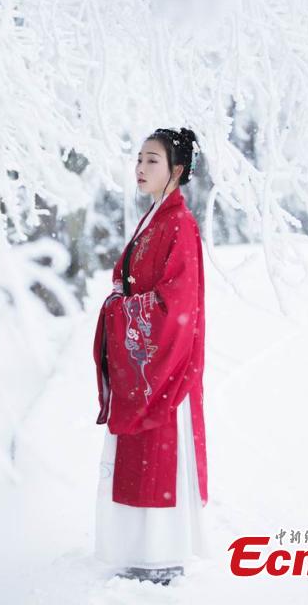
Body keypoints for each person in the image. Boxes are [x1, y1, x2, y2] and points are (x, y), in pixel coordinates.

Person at [92, 126, 212, 585]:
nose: (140, 168)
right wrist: (122, 305)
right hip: (146, 363)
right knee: (142, 455)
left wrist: (123, 312)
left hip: (165, 364)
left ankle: (160, 551)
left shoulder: (179, 223)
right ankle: (139, 548)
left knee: (159, 452)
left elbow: (174, 305)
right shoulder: (156, 219)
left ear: (177, 171)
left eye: (152, 161)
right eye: (139, 159)